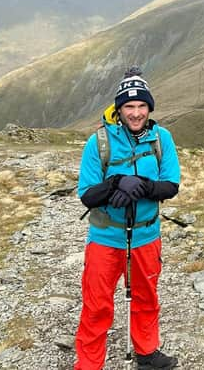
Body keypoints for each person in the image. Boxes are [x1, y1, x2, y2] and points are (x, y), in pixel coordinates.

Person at [75, 66, 180, 370]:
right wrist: (116, 182)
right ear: (118, 109)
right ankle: (89, 365)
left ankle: (147, 354)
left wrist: (142, 187)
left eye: (141, 106)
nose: (135, 113)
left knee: (147, 299)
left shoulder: (162, 139)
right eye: (129, 106)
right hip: (106, 238)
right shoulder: (99, 142)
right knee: (97, 307)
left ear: (149, 108)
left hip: (147, 236)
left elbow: (171, 186)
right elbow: (87, 195)